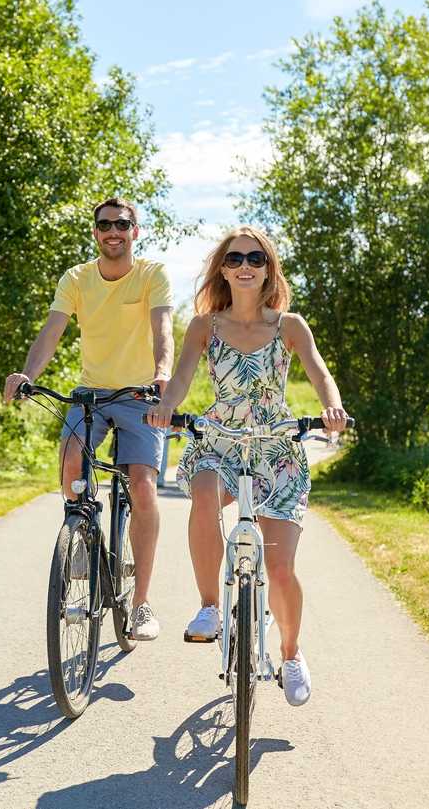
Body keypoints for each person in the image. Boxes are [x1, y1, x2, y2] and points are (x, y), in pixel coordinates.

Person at [147, 225, 348, 704]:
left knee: (278, 569)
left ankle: (292, 652)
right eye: (234, 259)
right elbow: (180, 382)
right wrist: (164, 409)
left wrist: (333, 408)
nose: (244, 266)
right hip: (220, 438)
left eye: (255, 259)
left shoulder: (289, 325)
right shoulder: (204, 326)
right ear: (222, 268)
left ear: (268, 269)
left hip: (276, 446)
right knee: (202, 495)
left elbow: (320, 374)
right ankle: (210, 608)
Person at [4, 197, 174, 640]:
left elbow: (163, 331)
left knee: (141, 483)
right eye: (104, 225)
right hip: (92, 393)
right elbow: (52, 331)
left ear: (135, 231)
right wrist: (28, 375)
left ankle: (141, 604)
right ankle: (80, 525)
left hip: (140, 394)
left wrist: (161, 377)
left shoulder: (152, 275)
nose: (112, 231)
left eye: (122, 224)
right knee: (70, 459)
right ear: (95, 232)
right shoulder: (76, 279)